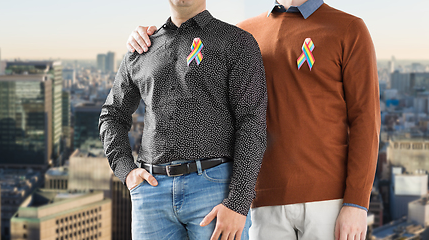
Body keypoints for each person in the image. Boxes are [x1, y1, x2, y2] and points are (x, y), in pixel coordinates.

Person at [126, 0, 380, 240]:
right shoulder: (243, 35)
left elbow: (365, 120)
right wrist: (149, 38)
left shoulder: (349, 29)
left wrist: (357, 202)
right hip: (260, 200)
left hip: (328, 200)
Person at [99, 0, 267, 239]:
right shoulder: (142, 48)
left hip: (215, 189)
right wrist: (126, 171)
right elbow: (112, 115)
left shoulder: (236, 42)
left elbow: (252, 124)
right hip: (151, 194)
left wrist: (238, 203)